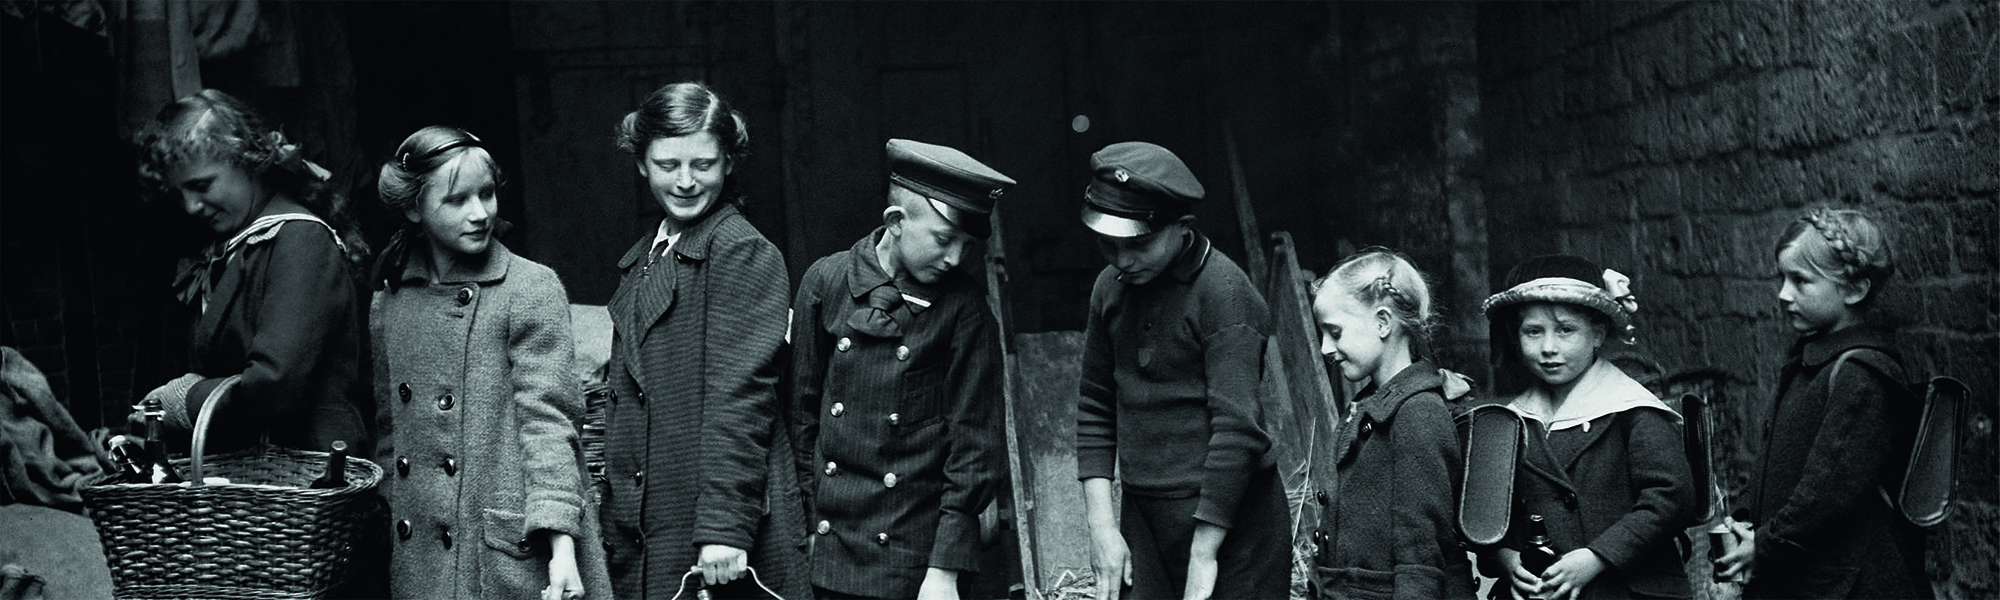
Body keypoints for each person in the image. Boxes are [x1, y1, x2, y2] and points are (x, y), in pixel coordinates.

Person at [369, 126, 611, 600]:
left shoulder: (530, 288)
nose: (480, 213)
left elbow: (550, 426)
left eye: (487, 194)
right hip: (416, 563)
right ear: (414, 209)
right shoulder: (390, 302)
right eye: (457, 200)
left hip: (507, 554)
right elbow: (389, 432)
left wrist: (563, 547)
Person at [598, 82, 809, 599]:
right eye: (668, 165)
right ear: (642, 163)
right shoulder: (647, 258)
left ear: (729, 163)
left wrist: (723, 529)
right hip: (652, 526)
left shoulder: (740, 251)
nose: (686, 181)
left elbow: (741, 399)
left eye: (704, 164)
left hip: (714, 536)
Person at [789, 139, 1009, 600]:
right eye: (944, 240)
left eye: (965, 246)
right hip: (830, 550)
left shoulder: (965, 311)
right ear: (895, 222)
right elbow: (803, 420)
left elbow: (974, 450)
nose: (954, 259)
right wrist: (808, 527)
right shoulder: (825, 283)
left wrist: (945, 569)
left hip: (917, 562)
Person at [1075, 142, 1289, 600]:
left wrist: (1204, 554)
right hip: (1144, 519)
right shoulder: (1109, 289)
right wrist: (1102, 528)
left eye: (1138, 245)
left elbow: (1237, 431)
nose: (1121, 260)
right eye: (1108, 244)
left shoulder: (1225, 295)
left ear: (1182, 228)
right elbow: (1095, 404)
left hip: (1229, 524)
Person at [132, 88, 370, 455]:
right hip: (260, 480)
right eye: (181, 193)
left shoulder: (299, 239)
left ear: (246, 160)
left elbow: (275, 387)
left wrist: (187, 399)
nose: (191, 206)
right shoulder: (240, 244)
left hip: (307, 480)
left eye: (201, 185)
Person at [1716, 208, 1926, 599]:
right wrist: (1745, 519)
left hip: (1851, 582)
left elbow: (1827, 492)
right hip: (1802, 574)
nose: (1783, 294)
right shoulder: (1811, 362)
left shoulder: (1861, 374)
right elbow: (1775, 465)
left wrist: (1765, 545)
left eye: (1801, 280)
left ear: (1854, 290)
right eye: (1782, 277)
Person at [1479, 255, 1695, 600]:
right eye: (1533, 332)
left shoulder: (1630, 409)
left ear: (1597, 334)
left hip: (1624, 590)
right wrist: (1505, 556)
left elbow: (1672, 498)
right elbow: (1490, 511)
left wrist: (1597, 556)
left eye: (1566, 330)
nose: (1549, 348)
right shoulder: (1513, 421)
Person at [1307, 247, 1475, 600]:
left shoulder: (1417, 413)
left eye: (1334, 332)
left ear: (1383, 322)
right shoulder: (1372, 405)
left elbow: (1421, 556)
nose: (1325, 348)